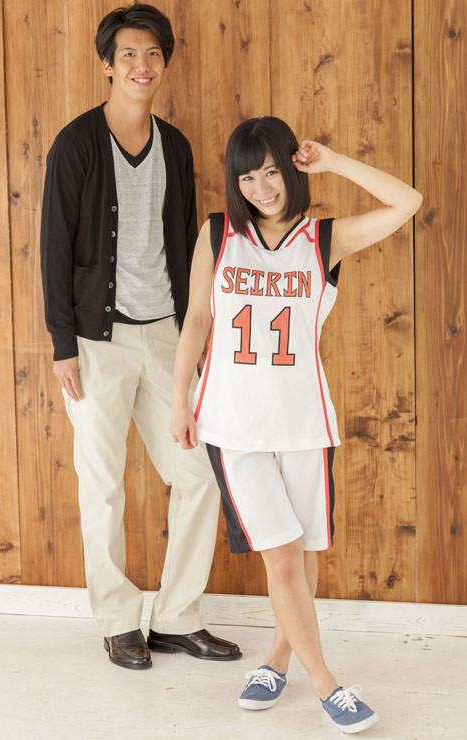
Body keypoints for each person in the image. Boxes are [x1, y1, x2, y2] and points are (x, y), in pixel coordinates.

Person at [170, 116, 422, 732]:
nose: (261, 188)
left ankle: (277, 659)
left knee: (302, 554)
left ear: (291, 168)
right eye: (247, 177)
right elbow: (197, 319)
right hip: (234, 425)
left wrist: (333, 162)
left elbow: (408, 203)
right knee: (281, 560)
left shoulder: (322, 239)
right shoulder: (218, 233)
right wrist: (180, 400)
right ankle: (327, 684)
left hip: (304, 422)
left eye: (271, 172)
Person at [40, 4, 241, 670]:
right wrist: (63, 343)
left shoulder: (175, 146)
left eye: (153, 53)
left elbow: (185, 245)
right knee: (102, 484)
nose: (141, 65)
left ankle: (178, 618)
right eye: (128, 53)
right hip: (95, 342)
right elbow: (54, 246)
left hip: (165, 337)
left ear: (164, 64)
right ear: (108, 64)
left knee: (199, 473)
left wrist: (194, 334)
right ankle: (118, 621)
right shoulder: (76, 144)